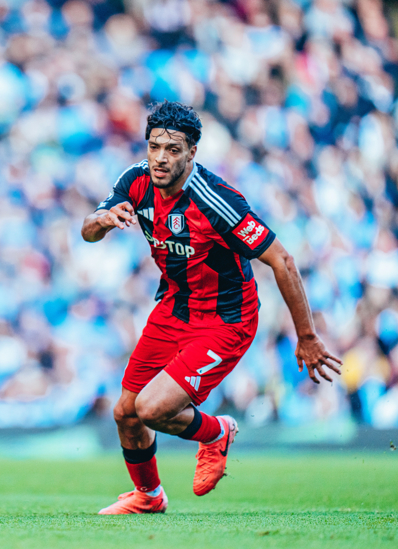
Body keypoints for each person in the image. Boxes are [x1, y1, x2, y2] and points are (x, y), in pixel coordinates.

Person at [81, 101, 341, 514]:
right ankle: (149, 498)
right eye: (154, 147)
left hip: (225, 320)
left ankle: (216, 431)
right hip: (173, 308)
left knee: (150, 409)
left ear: (192, 152)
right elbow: (88, 230)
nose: (161, 158)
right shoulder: (134, 181)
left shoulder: (216, 200)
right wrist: (103, 219)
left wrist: (306, 335)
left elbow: (283, 260)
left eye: (173, 149)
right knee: (126, 413)